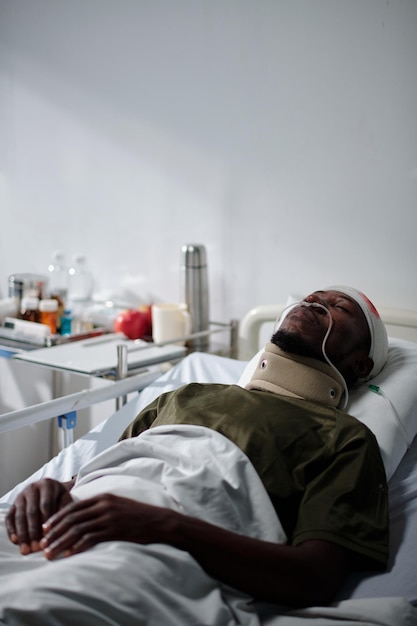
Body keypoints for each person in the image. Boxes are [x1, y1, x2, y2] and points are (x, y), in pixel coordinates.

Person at [2, 286, 390, 622]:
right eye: (310, 299)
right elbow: (102, 474)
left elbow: (315, 576)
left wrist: (164, 525)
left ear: (360, 364)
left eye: (339, 307)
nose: (314, 304)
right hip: (68, 518)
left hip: (158, 548)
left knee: (32, 605)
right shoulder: (186, 393)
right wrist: (50, 490)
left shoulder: (345, 438)